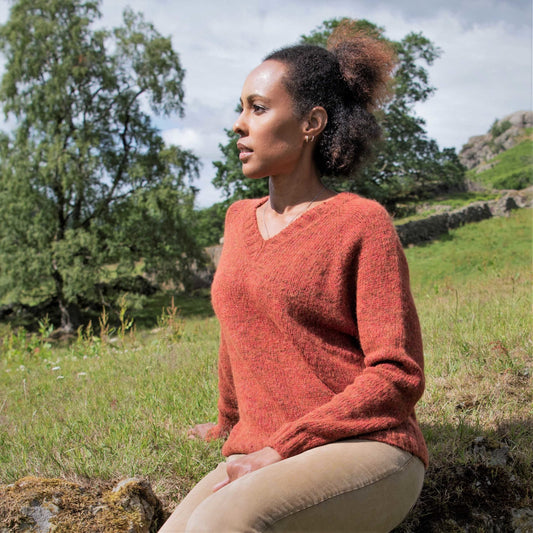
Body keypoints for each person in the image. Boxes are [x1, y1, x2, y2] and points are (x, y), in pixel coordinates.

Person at [159, 20, 428, 533]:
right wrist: (227, 422)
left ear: (312, 123)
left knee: (223, 524)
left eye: (257, 108)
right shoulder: (238, 220)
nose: (239, 124)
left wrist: (284, 444)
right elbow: (238, 334)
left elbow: (398, 375)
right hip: (268, 449)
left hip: (366, 447)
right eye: (240, 108)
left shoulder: (361, 222)